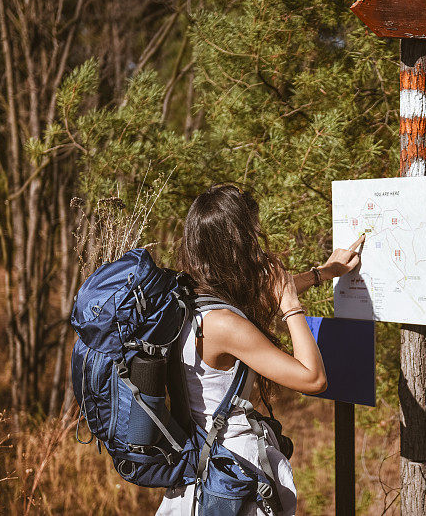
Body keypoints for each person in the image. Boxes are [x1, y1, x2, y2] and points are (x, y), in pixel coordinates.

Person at [156, 184, 365, 515]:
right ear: (234, 248)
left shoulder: (188, 300)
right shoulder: (225, 325)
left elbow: (257, 293)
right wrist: (292, 308)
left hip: (200, 462)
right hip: (235, 473)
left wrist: (322, 273)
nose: (257, 248)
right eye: (252, 238)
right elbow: (313, 379)